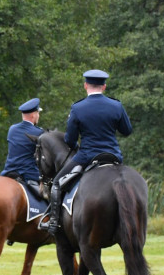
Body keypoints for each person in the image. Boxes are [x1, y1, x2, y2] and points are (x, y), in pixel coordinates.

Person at [45, 69, 133, 235]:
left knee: (56, 183)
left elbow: (70, 139)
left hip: (87, 156)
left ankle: (54, 223)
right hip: (114, 156)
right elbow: (127, 131)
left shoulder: (78, 108)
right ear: (104, 86)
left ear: (86, 85)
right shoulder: (116, 106)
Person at [0, 97, 45, 198]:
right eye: (38, 113)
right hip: (28, 174)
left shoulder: (12, 129)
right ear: (33, 115)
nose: (38, 116)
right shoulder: (39, 133)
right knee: (49, 200)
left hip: (8, 172)